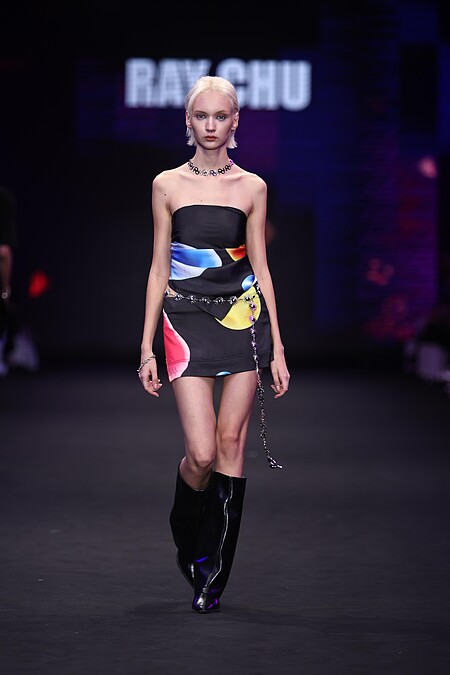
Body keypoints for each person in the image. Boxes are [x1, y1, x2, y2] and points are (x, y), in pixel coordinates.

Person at [138, 75, 290, 613]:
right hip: (183, 321)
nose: (210, 125)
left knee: (230, 444)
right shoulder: (166, 185)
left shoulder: (252, 187)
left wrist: (277, 348)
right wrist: (146, 347)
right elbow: (159, 268)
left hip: (243, 320)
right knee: (200, 454)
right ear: (188, 121)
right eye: (201, 116)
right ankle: (188, 536)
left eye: (220, 116)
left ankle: (214, 573)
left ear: (235, 121)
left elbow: (262, 270)